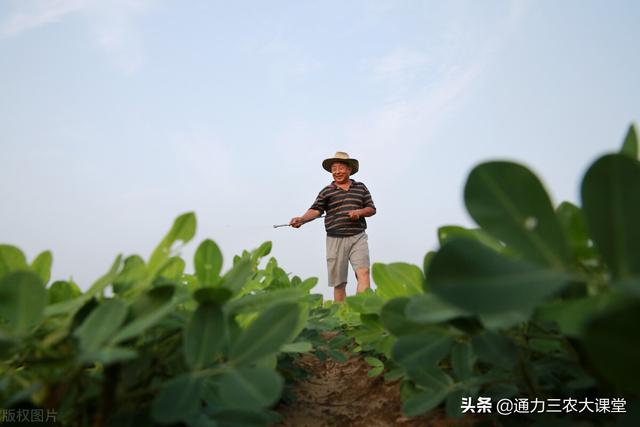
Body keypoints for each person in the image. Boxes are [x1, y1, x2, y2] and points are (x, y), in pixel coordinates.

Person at [290, 152, 376, 302]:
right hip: (335, 238)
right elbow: (316, 210)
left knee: (364, 272)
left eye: (341, 167)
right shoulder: (327, 191)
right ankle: (341, 317)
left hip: (358, 236)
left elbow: (371, 209)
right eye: (334, 169)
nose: (337, 171)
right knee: (339, 282)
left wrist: (359, 212)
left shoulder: (360, 187)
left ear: (349, 169)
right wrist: (302, 219)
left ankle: (362, 312)